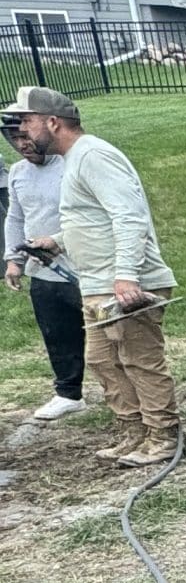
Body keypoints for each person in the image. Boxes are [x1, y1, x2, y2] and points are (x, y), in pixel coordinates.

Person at [4, 87, 178, 465]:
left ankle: (163, 436)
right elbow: (91, 220)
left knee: (139, 361)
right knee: (103, 361)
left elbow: (128, 217)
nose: (22, 131)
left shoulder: (94, 155)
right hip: (96, 283)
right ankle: (134, 432)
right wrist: (57, 242)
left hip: (124, 284)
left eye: (27, 121)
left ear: (53, 122)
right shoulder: (73, 159)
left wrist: (127, 276)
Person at [3, 103, 87, 417]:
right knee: (57, 332)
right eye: (15, 139)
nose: (22, 144)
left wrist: (58, 241)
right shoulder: (17, 172)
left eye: (25, 136)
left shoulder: (70, 165)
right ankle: (69, 393)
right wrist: (13, 260)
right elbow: (15, 217)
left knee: (105, 334)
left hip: (79, 266)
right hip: (42, 270)